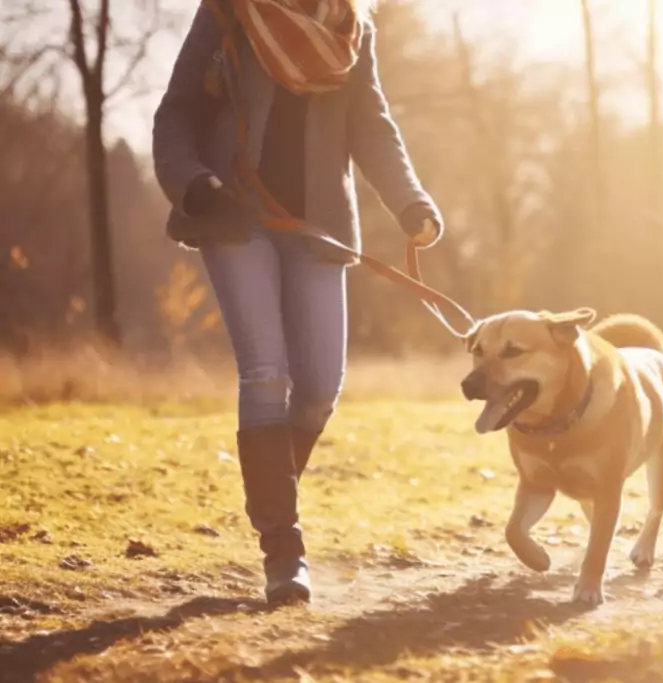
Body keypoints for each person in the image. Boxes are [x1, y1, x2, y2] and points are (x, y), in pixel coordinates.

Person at [152, 0, 442, 606]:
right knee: (266, 374)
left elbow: (373, 126)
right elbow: (175, 114)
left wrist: (412, 203)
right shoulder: (231, 13)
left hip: (319, 223)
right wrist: (196, 184)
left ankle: (268, 493)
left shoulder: (351, 28)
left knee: (318, 388)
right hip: (235, 215)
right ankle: (284, 553)